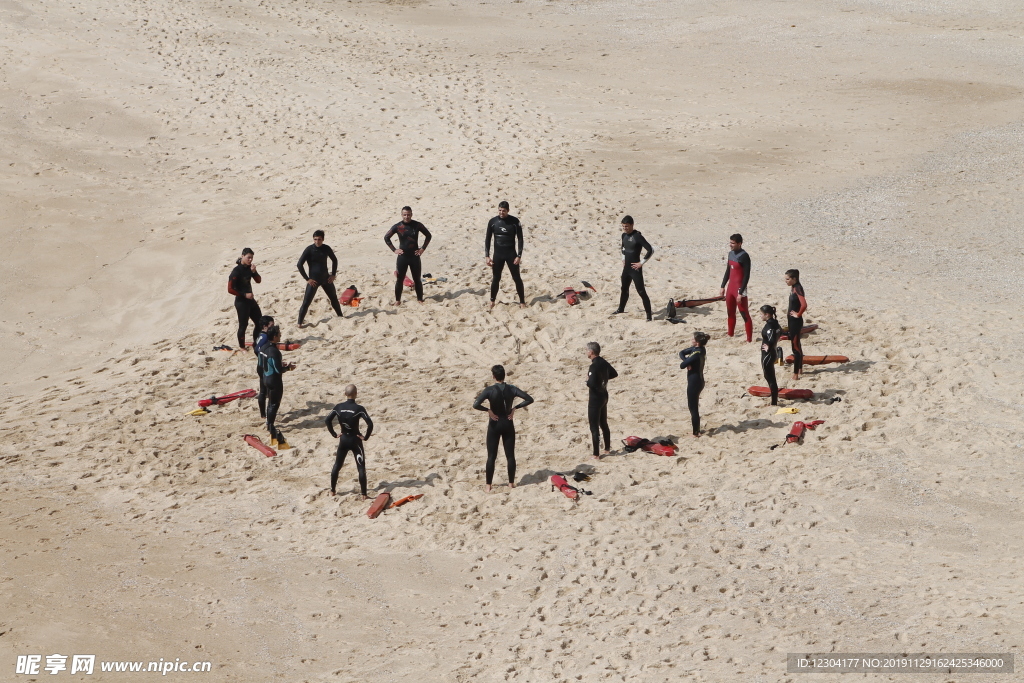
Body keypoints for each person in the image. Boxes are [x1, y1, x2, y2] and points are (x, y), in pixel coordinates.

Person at [472, 365, 534, 492]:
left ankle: (488, 485)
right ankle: (511, 483)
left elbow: (476, 404)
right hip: (508, 423)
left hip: (495, 424)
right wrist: (514, 408)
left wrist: (488, 410)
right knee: (510, 455)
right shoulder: (512, 389)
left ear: (493, 376)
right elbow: (529, 399)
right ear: (504, 375)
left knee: (491, 456)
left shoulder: (489, 390)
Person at [325, 385, 374, 499]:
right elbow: (370, 424)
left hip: (343, 440)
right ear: (356, 393)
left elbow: (327, 420)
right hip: (355, 440)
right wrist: (365, 437)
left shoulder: (338, 407)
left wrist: (334, 434)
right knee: (361, 468)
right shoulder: (359, 408)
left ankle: (332, 490)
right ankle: (364, 494)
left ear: (345, 394)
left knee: (337, 465)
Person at [385, 206, 432, 305]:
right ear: (402, 215)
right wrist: (394, 250)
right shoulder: (397, 226)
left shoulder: (417, 225)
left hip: (414, 256)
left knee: (417, 279)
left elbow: (428, 235)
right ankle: (398, 300)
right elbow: (386, 237)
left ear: (411, 214)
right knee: (400, 279)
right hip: (403, 257)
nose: (406, 216)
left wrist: (422, 248)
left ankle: (420, 299)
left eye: (408, 214)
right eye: (405, 214)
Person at [296, 229, 344, 326]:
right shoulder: (309, 250)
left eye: (319, 239)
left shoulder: (326, 248)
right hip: (314, 281)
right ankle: (299, 323)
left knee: (334, 299)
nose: (317, 241)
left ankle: (341, 316)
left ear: (323, 239)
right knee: (306, 302)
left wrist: (333, 274)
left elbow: (334, 260)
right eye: (315, 239)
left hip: (326, 279)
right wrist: (307, 279)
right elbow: (299, 264)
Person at [258, 325, 295, 448]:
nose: (280, 335)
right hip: (274, 381)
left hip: (265, 378)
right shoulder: (275, 351)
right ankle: (270, 425)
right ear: (274, 337)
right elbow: (279, 370)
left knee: (270, 401)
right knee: (274, 404)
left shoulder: (263, 347)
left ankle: (268, 421)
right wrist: (289, 367)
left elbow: (261, 363)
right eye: (279, 334)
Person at [485, 201, 526, 309]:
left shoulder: (514, 221)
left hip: (511, 254)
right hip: (498, 254)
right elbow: (488, 239)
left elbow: (520, 239)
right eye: (499, 210)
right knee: (496, 278)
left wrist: (519, 255)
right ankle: (492, 301)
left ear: (508, 211)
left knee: (517, 278)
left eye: (503, 211)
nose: (501, 212)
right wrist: (487, 256)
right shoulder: (493, 222)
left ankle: (522, 302)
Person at [613, 215, 653, 320]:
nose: (624, 228)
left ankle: (649, 315)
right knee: (624, 289)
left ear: (632, 225)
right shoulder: (623, 235)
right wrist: (623, 258)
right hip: (626, 268)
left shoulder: (637, 236)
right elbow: (623, 248)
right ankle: (621, 309)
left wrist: (641, 263)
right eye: (623, 226)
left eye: (626, 226)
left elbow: (650, 250)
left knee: (641, 291)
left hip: (635, 269)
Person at [585, 342, 618, 459]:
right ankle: (607, 449)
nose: (586, 352)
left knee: (594, 427)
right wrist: (603, 378)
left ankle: (595, 454)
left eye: (587, 350)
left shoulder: (593, 366)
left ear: (591, 352)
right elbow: (614, 373)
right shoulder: (603, 361)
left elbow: (591, 384)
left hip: (595, 399)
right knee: (603, 423)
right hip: (604, 396)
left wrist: (588, 380)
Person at [227, 248, 262, 350]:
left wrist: (254, 272)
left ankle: (256, 344)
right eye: (248, 257)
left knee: (259, 322)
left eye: (251, 258)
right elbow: (230, 289)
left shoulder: (249, 268)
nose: (250, 260)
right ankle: (242, 347)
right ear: (242, 256)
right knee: (243, 325)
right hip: (241, 302)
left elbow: (258, 280)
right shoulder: (236, 271)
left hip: (250, 301)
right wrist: (244, 295)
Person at [719, 234, 752, 342]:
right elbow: (728, 271)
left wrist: (741, 292)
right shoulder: (730, 254)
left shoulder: (744, 256)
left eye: (733, 243)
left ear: (739, 243)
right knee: (730, 312)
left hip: (740, 289)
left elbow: (746, 276)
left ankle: (749, 339)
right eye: (730, 242)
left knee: (744, 313)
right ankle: (730, 334)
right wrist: (723, 286)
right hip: (730, 288)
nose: (730, 245)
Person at [678, 331, 710, 437]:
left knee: (693, 407)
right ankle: (696, 430)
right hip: (697, 380)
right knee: (693, 407)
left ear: (697, 342)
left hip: (695, 382)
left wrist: (687, 362)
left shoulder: (697, 353)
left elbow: (682, 365)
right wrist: (687, 360)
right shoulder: (697, 349)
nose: (691, 340)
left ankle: (696, 432)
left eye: (692, 339)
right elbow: (681, 352)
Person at [785, 269, 807, 381]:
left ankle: (795, 374)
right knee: (797, 344)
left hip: (795, 322)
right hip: (792, 321)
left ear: (795, 279)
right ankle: (800, 369)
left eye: (788, 279)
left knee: (795, 347)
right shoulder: (794, 287)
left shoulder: (798, 288)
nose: (786, 281)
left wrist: (798, 314)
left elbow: (804, 304)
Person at [759, 305, 783, 406]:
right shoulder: (775, 322)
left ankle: (774, 402)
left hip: (768, 355)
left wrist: (768, 347)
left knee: (770, 378)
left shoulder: (769, 326)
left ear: (767, 315)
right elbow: (779, 332)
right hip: (772, 353)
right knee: (770, 377)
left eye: (761, 314)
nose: (760, 316)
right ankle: (774, 400)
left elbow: (772, 338)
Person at [254, 315, 275, 419]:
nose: (273, 327)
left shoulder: (261, 335)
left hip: (261, 365)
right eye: (271, 325)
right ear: (265, 326)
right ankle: (264, 414)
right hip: (263, 366)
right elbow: (256, 349)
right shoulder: (265, 337)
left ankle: (263, 414)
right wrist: (264, 357)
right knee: (264, 391)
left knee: (264, 390)